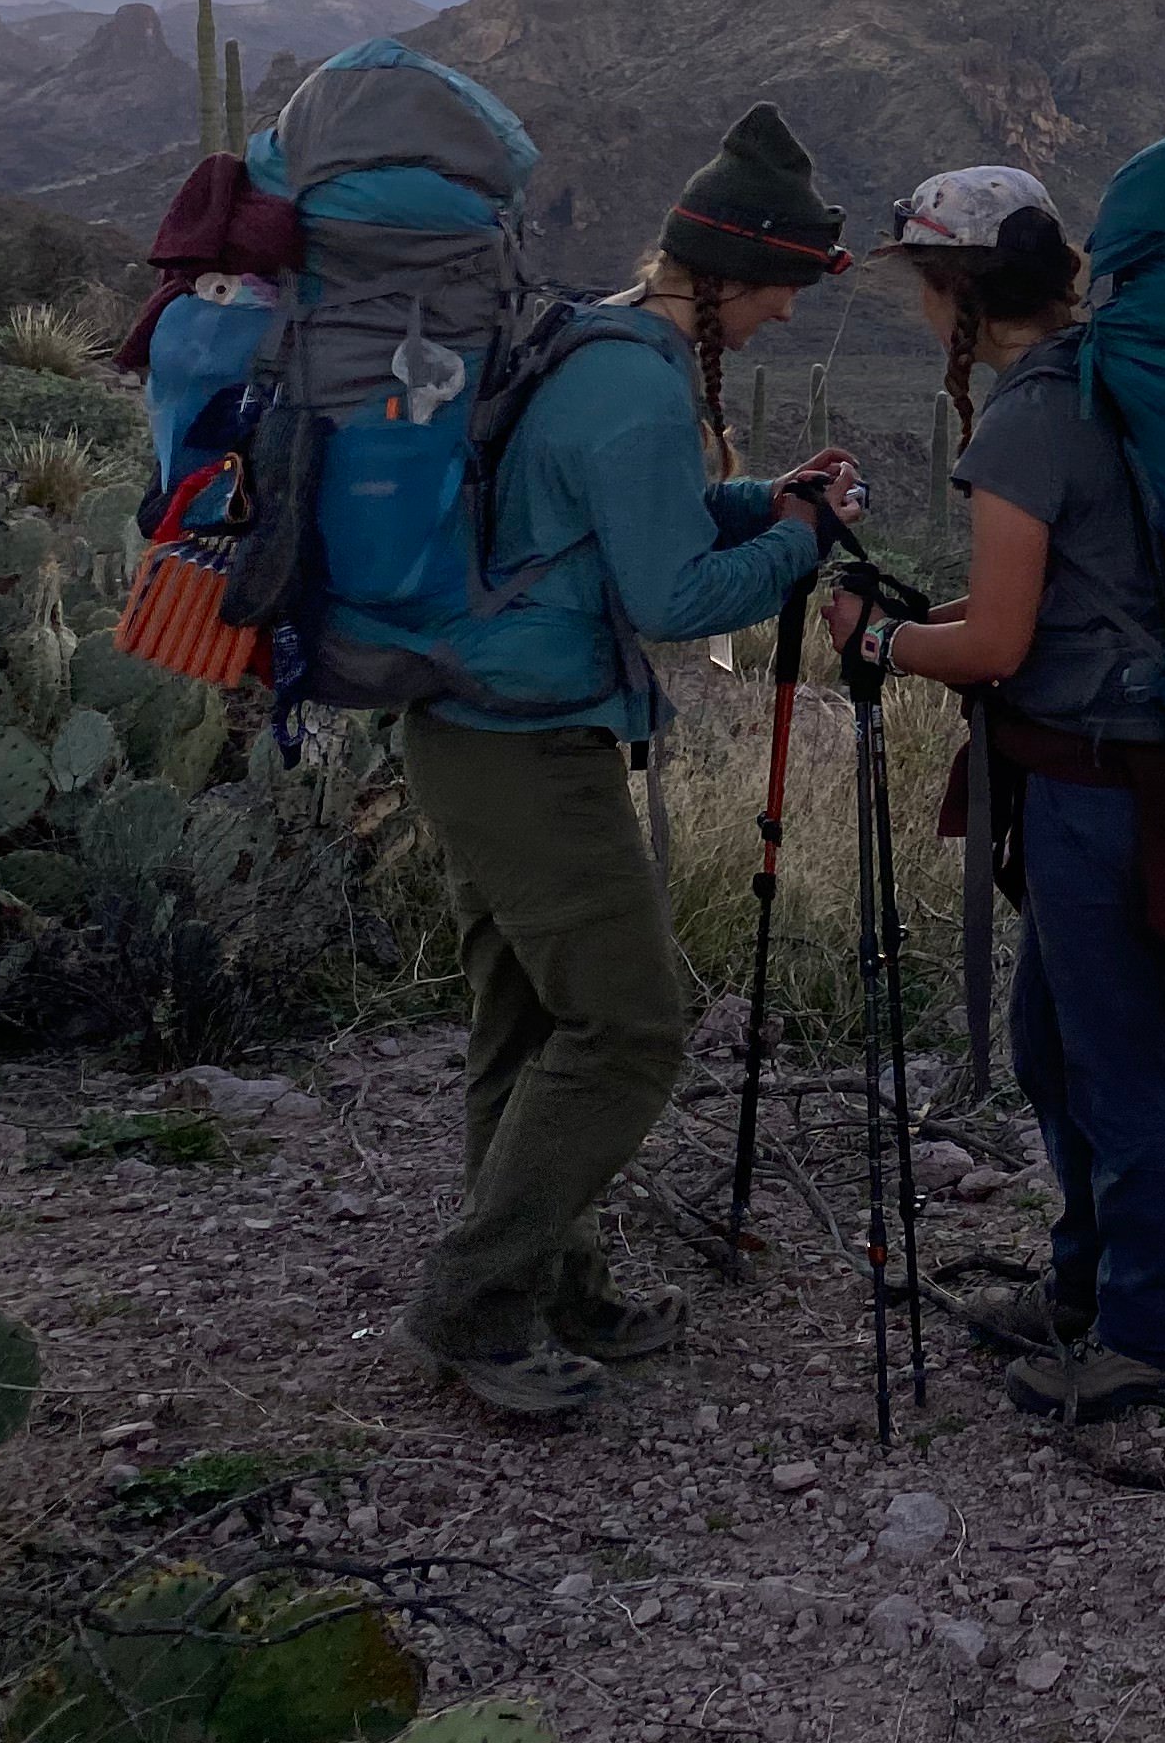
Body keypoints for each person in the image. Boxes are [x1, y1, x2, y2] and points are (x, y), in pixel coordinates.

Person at [397, 102, 866, 1420]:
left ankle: (553, 1277)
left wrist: (765, 501)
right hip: (527, 742)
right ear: (722, 275)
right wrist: (801, 547)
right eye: (781, 288)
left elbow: (615, 520)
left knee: (533, 1020)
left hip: (469, 719)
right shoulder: (637, 392)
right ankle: (477, 1302)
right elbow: (668, 597)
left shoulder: (601, 337)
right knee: (632, 1026)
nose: (786, 316)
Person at [829, 164, 1165, 1424]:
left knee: (1114, 1062)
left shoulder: (1030, 424)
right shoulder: (1112, 383)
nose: (922, 317)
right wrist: (921, 624)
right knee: (1058, 1048)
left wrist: (874, 643)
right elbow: (1045, 612)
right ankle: (1089, 1286)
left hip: (1097, 781)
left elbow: (993, 647)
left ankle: (1156, 1336)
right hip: (1131, 765)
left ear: (963, 296)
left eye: (927, 292)